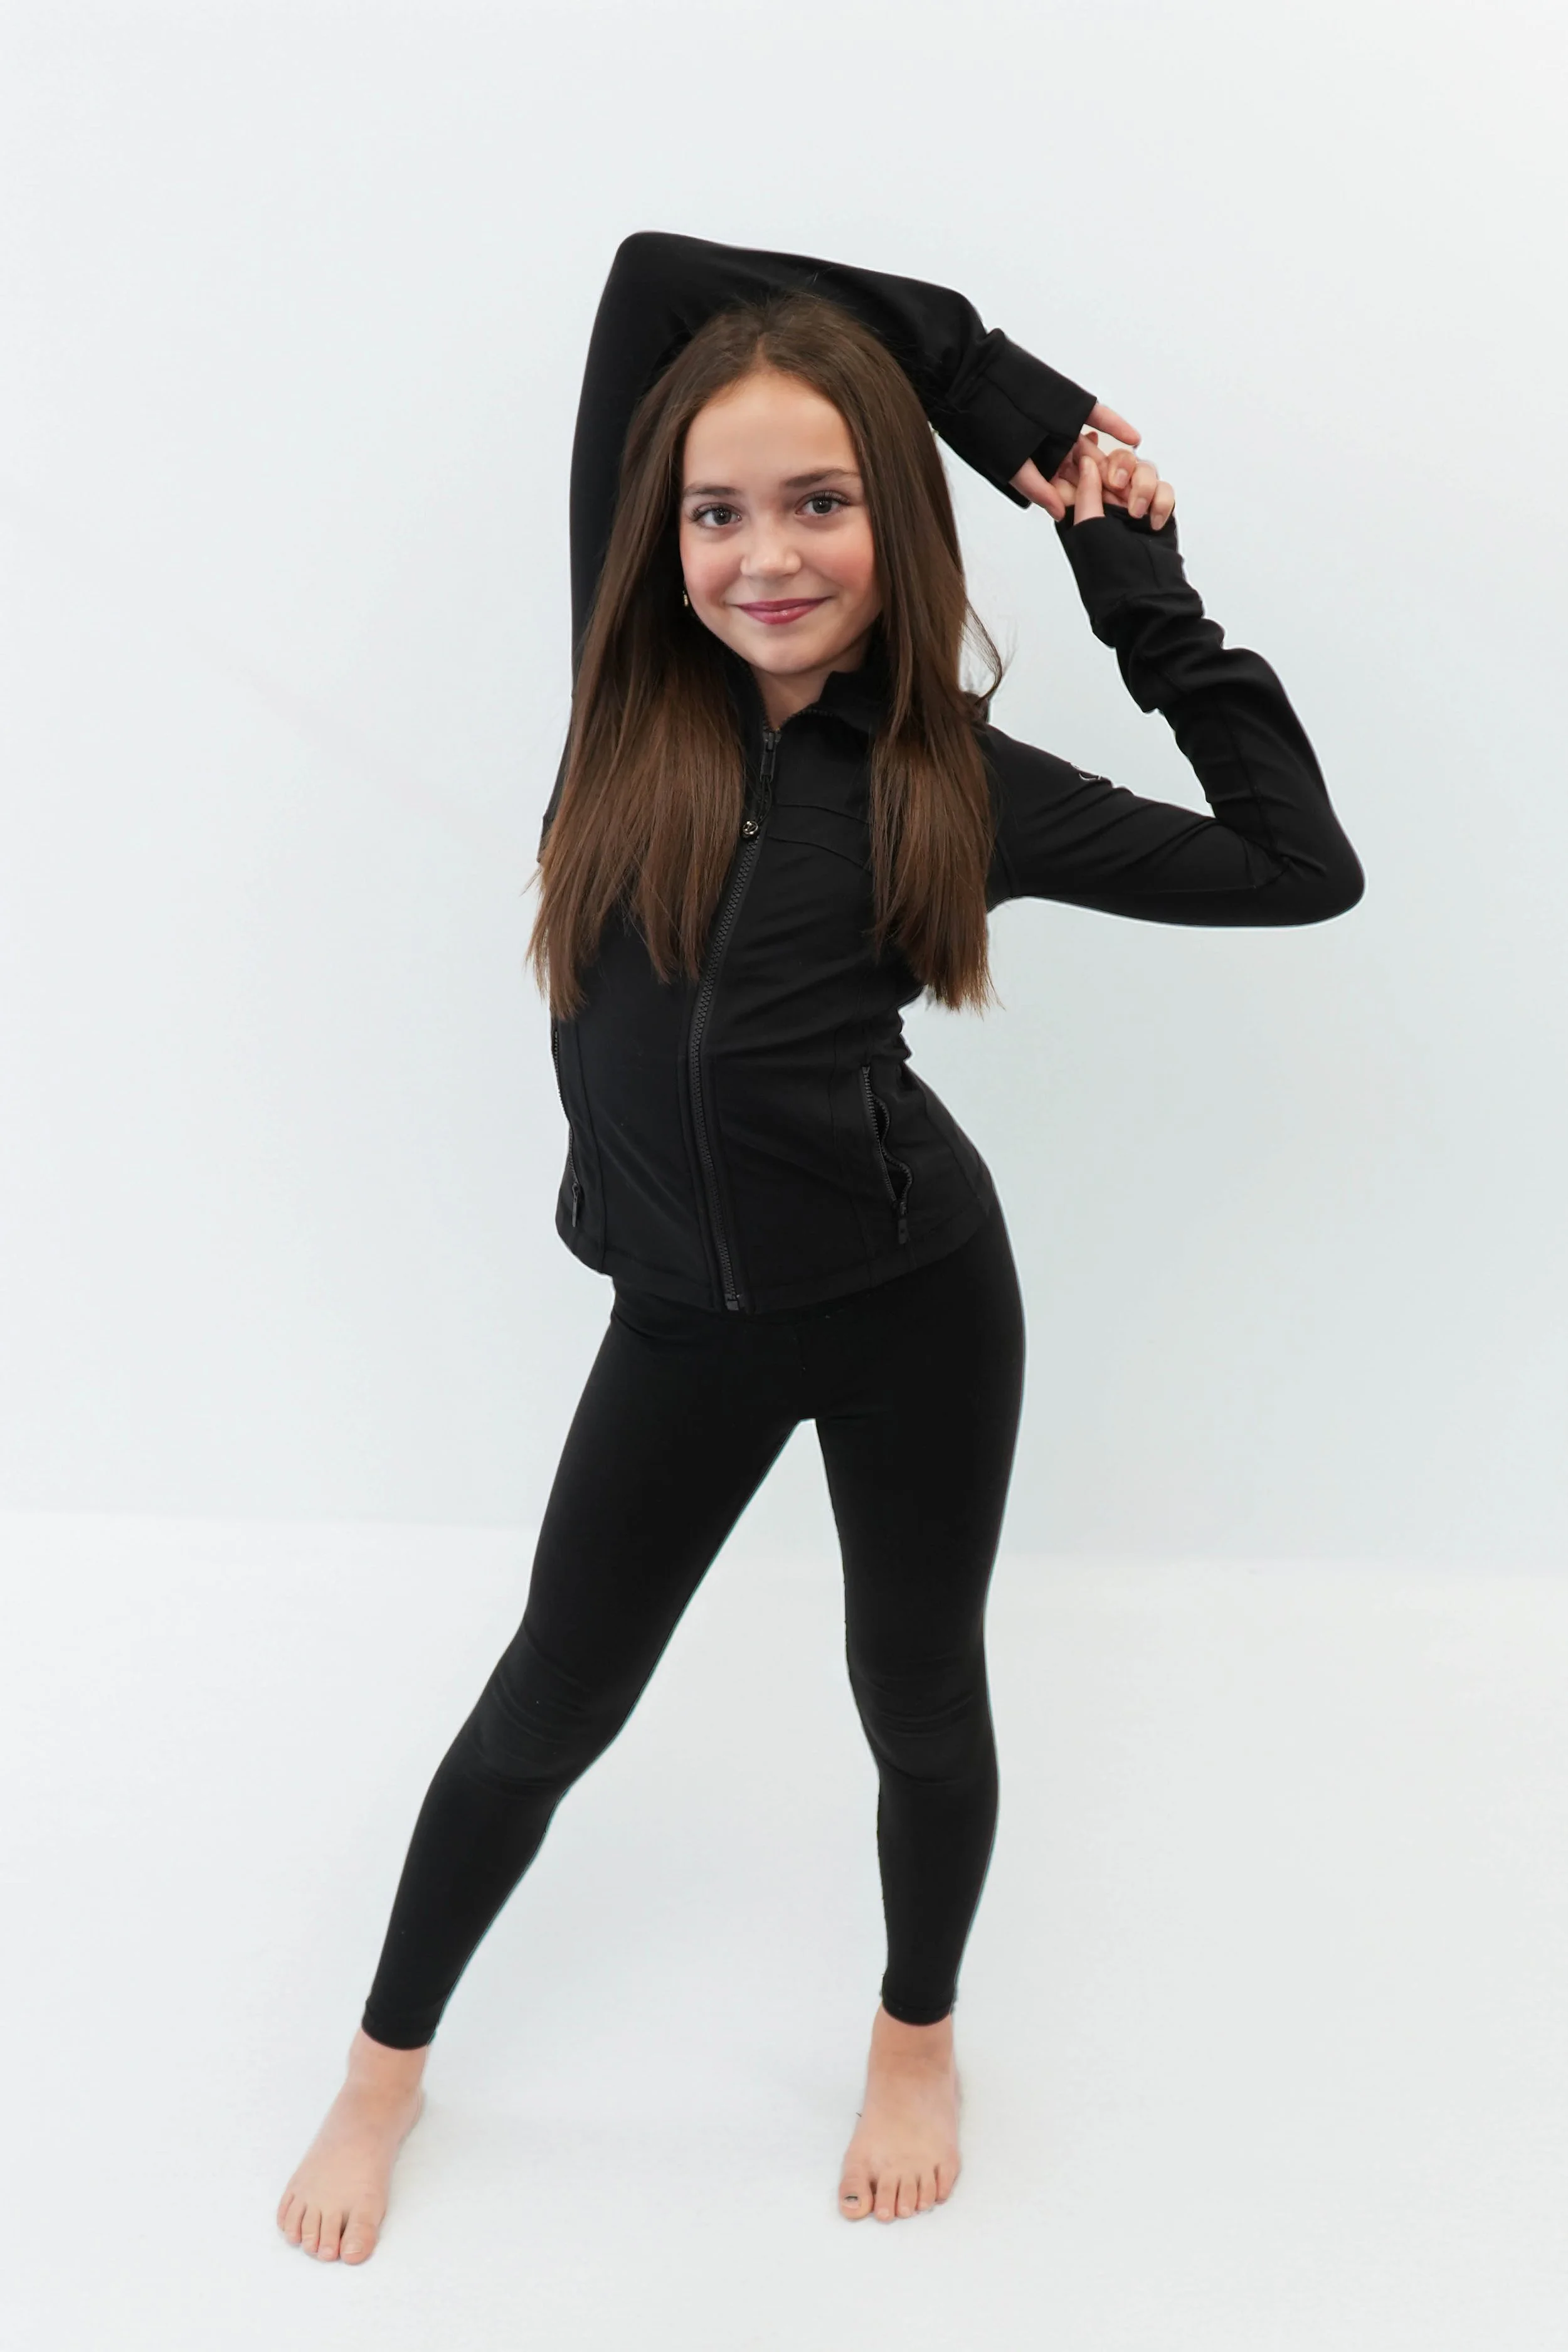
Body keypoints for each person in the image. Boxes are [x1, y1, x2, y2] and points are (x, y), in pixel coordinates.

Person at [276, 230, 1364, 2264]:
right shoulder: (623, 692)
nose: (763, 552)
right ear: (655, 532)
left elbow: (1300, 872)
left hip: (905, 1302)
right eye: (716, 510)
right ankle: (379, 2074)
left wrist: (1130, 568)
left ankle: (914, 2028)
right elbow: (647, 274)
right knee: (546, 1707)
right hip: (681, 1321)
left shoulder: (956, 778)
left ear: (895, 520)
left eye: (821, 501)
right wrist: (999, 384)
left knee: (915, 1693)